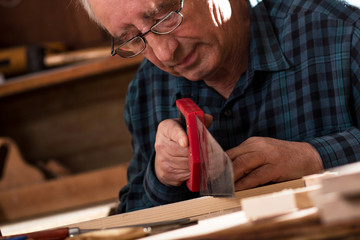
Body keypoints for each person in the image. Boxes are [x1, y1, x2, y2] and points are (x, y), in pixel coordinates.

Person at [78, 0, 360, 213]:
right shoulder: (147, 89)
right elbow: (129, 220)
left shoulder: (345, 34)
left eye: (164, 17)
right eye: (131, 37)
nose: (164, 53)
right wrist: (163, 178)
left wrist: (314, 157)